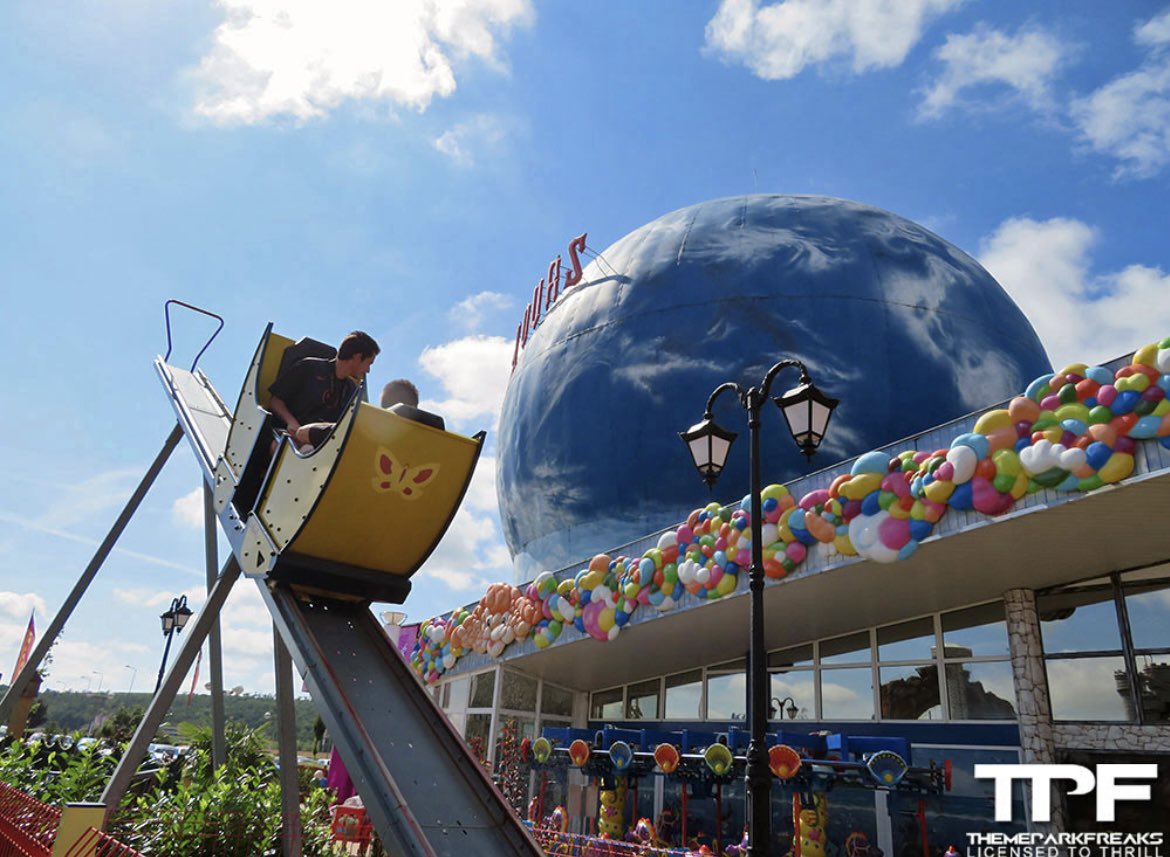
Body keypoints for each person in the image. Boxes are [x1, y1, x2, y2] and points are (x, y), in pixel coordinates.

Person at [268, 331, 380, 450]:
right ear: (357, 357)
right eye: (369, 363)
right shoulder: (309, 367)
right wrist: (292, 423)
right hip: (288, 437)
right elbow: (276, 401)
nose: (368, 370)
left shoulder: (352, 391)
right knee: (303, 450)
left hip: (323, 446)